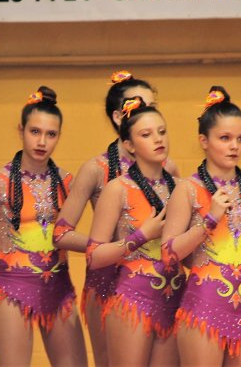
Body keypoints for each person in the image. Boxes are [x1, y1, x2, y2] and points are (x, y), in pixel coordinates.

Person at [53, 70, 178, 366]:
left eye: (152, 108)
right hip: (108, 281)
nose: (149, 117)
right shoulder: (96, 169)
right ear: (120, 118)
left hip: (159, 281)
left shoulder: (169, 169)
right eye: (140, 108)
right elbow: (60, 234)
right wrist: (112, 244)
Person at [0, 87, 87, 366]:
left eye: (51, 134)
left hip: (59, 288)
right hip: (11, 291)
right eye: (35, 131)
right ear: (21, 129)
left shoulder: (69, 183)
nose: (42, 141)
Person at [163, 86, 241, 366]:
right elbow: (169, 254)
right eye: (225, 138)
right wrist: (209, 219)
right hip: (204, 308)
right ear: (204, 140)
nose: (234, 146)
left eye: (240, 138)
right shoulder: (188, 189)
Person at [86, 97, 184, 366]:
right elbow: (94, 256)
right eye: (146, 134)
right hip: (132, 300)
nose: (157, 139)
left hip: (175, 297)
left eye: (162, 132)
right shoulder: (117, 189)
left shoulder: (181, 187)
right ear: (129, 144)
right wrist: (141, 236)